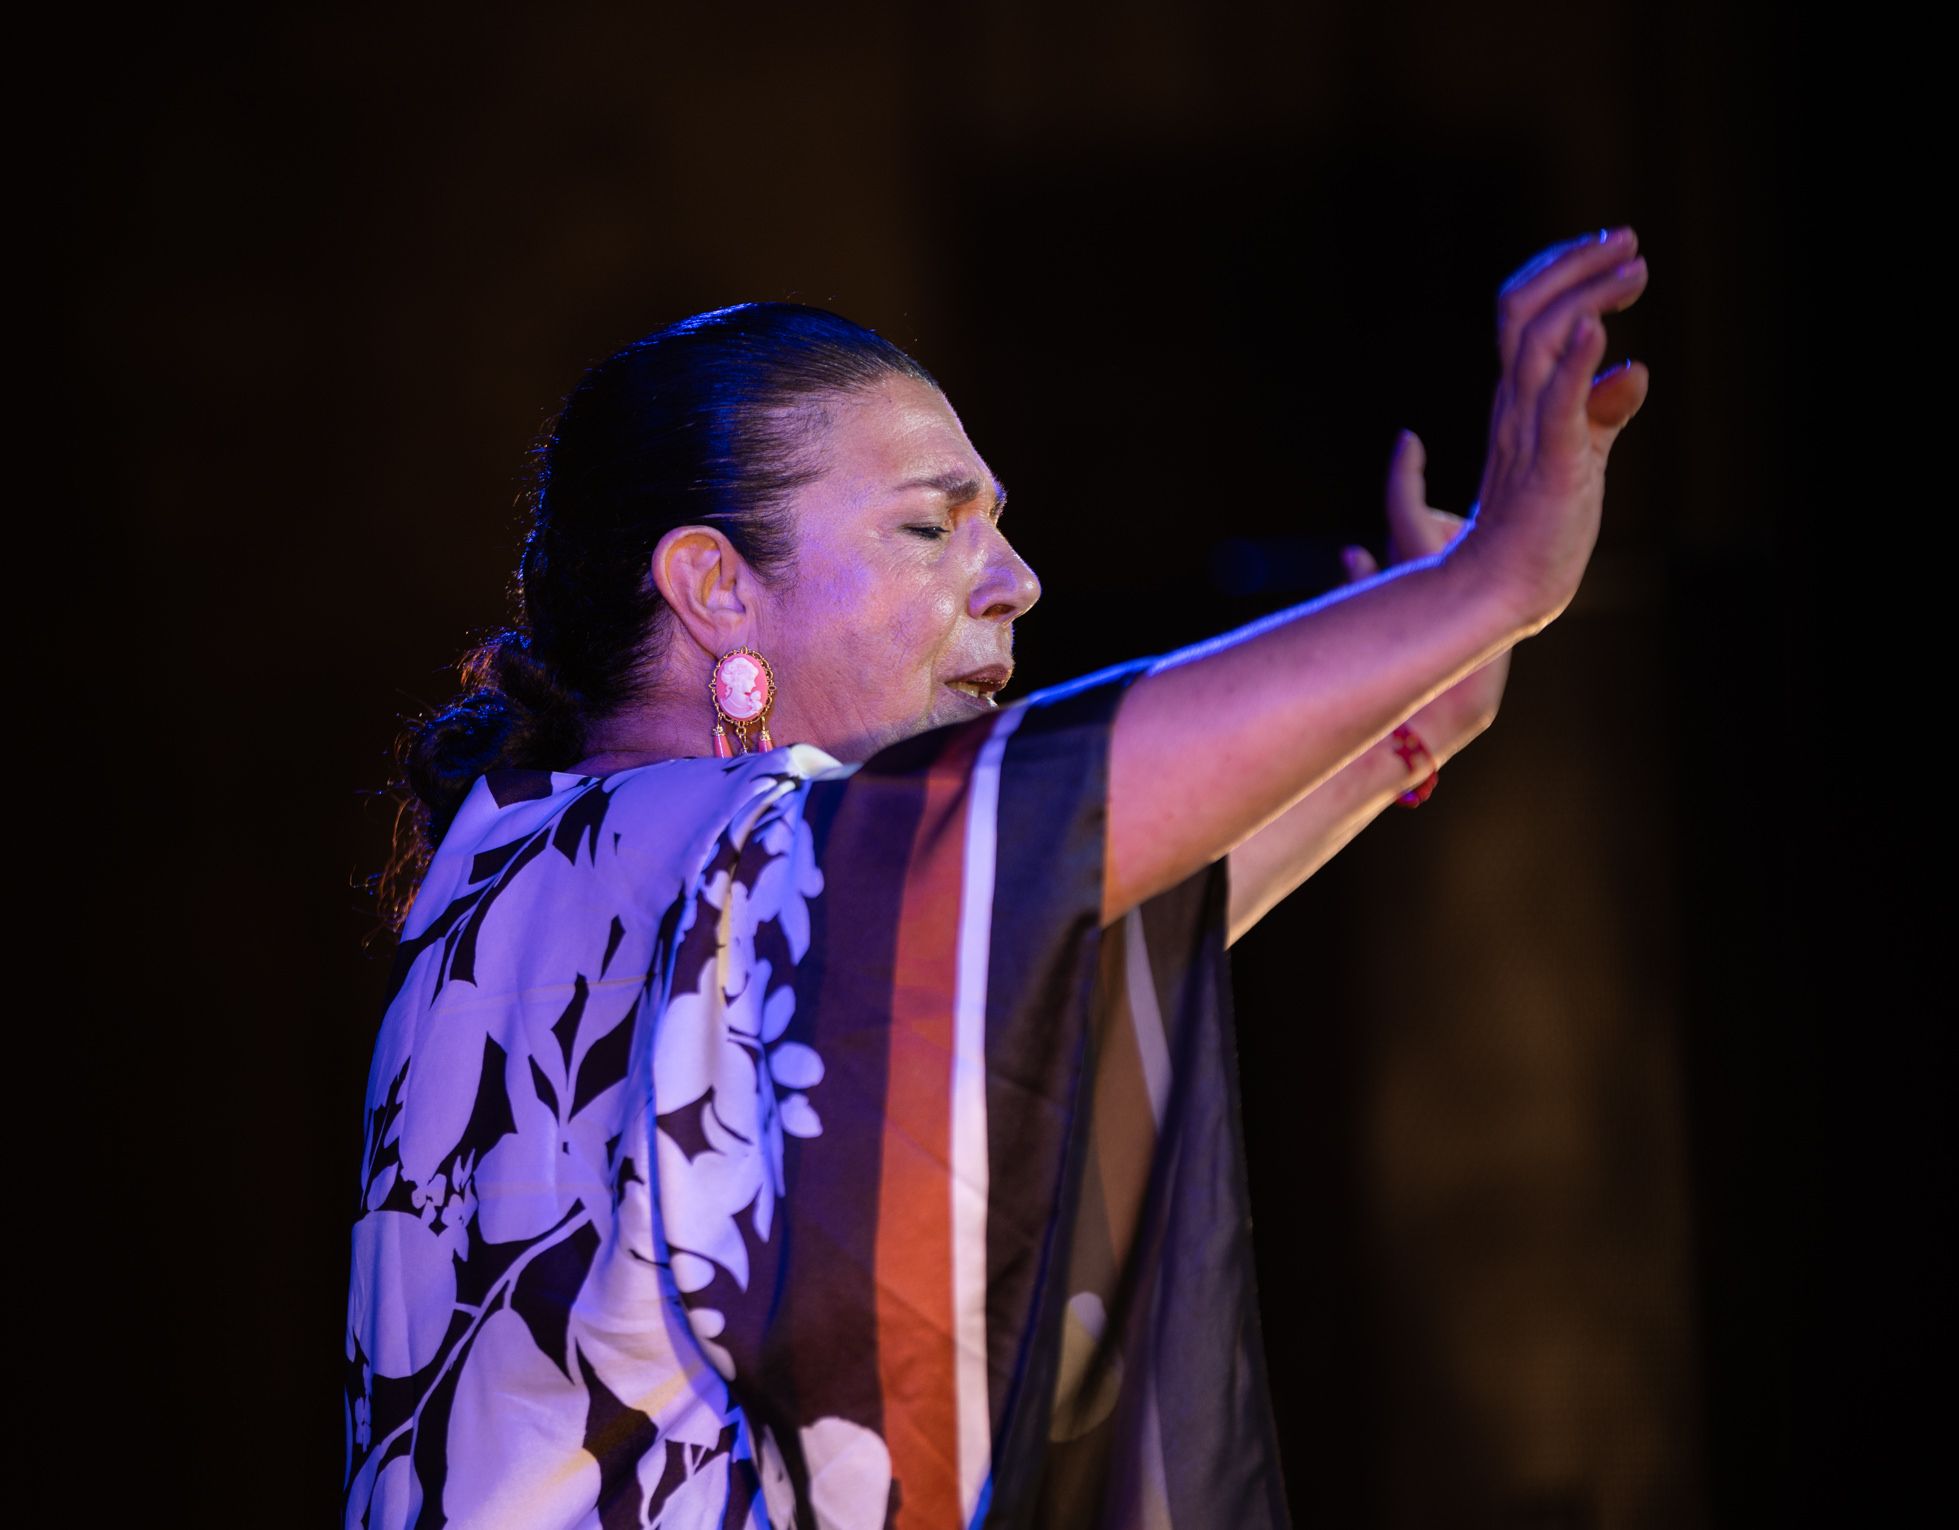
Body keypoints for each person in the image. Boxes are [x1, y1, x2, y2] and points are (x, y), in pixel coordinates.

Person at [343, 229, 1651, 1529]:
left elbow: (1031, 935)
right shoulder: (697, 852)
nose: (1016, 585)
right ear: (713, 588)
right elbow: (1039, 835)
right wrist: (1485, 587)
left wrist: (1399, 732)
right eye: (931, 526)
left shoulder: (557, 875)